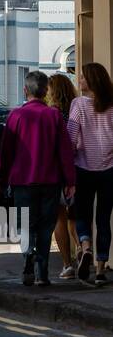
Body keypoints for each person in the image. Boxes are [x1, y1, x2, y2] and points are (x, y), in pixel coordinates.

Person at [0, 71, 76, 287]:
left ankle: (28, 258)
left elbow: (6, 152)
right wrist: (70, 181)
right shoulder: (54, 116)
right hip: (50, 181)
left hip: (22, 181)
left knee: (26, 226)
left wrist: (2, 179)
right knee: (45, 226)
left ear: (26, 90)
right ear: (45, 91)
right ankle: (42, 273)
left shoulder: (16, 116)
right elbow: (65, 151)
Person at [67, 62, 113, 286]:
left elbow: (71, 139)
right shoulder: (111, 104)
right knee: (104, 218)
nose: (80, 80)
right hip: (109, 170)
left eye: (83, 77)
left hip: (83, 168)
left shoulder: (78, 105)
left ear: (92, 81)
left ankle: (86, 247)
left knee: (82, 214)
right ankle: (102, 268)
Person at [47, 72, 79, 278]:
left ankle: (68, 264)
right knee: (76, 216)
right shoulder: (77, 110)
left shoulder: (52, 114)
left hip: (58, 171)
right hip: (80, 167)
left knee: (59, 217)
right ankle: (84, 249)